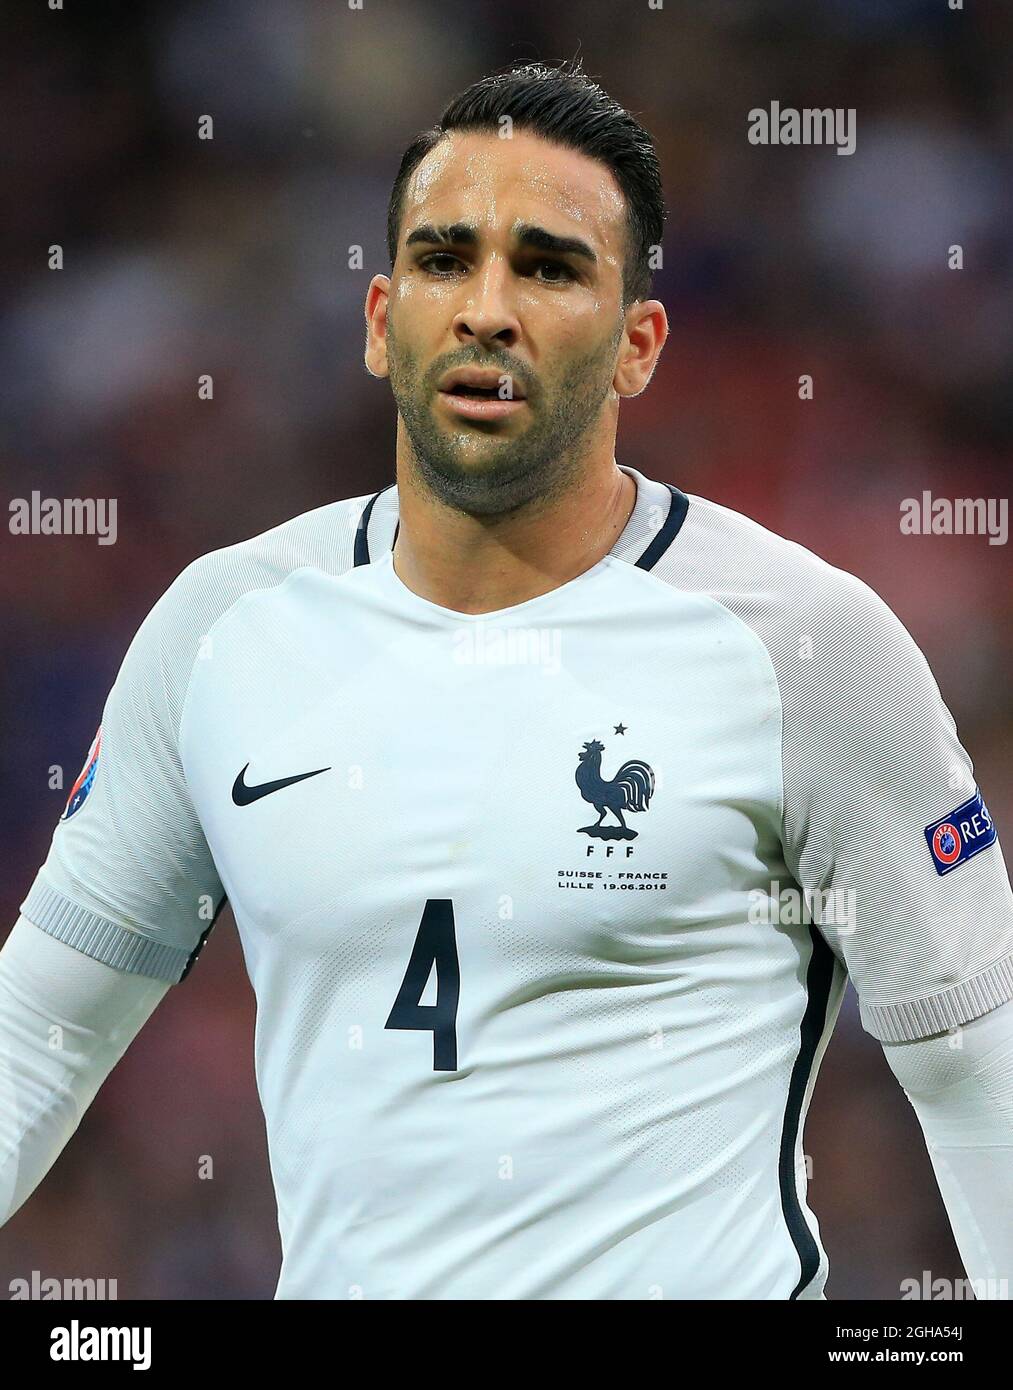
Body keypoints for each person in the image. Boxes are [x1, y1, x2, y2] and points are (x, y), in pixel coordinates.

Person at [3, 59, 1011, 1300]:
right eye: (443, 257)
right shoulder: (225, 627)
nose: (486, 307)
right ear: (380, 321)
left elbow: (975, 1063)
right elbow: (35, 1038)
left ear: (639, 344)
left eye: (546, 265)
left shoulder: (803, 644)